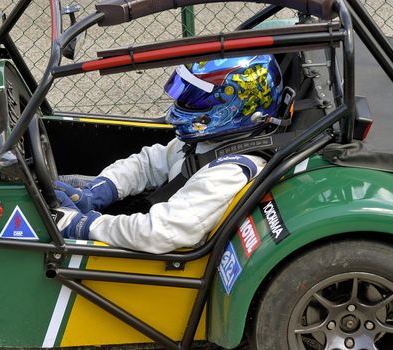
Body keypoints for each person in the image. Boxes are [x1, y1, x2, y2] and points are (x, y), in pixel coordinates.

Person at [52, 55, 283, 254]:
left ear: (233, 108)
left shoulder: (228, 173)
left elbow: (159, 232)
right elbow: (151, 162)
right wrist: (99, 191)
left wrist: (83, 225)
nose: (181, 103)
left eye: (195, 100)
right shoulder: (207, 143)